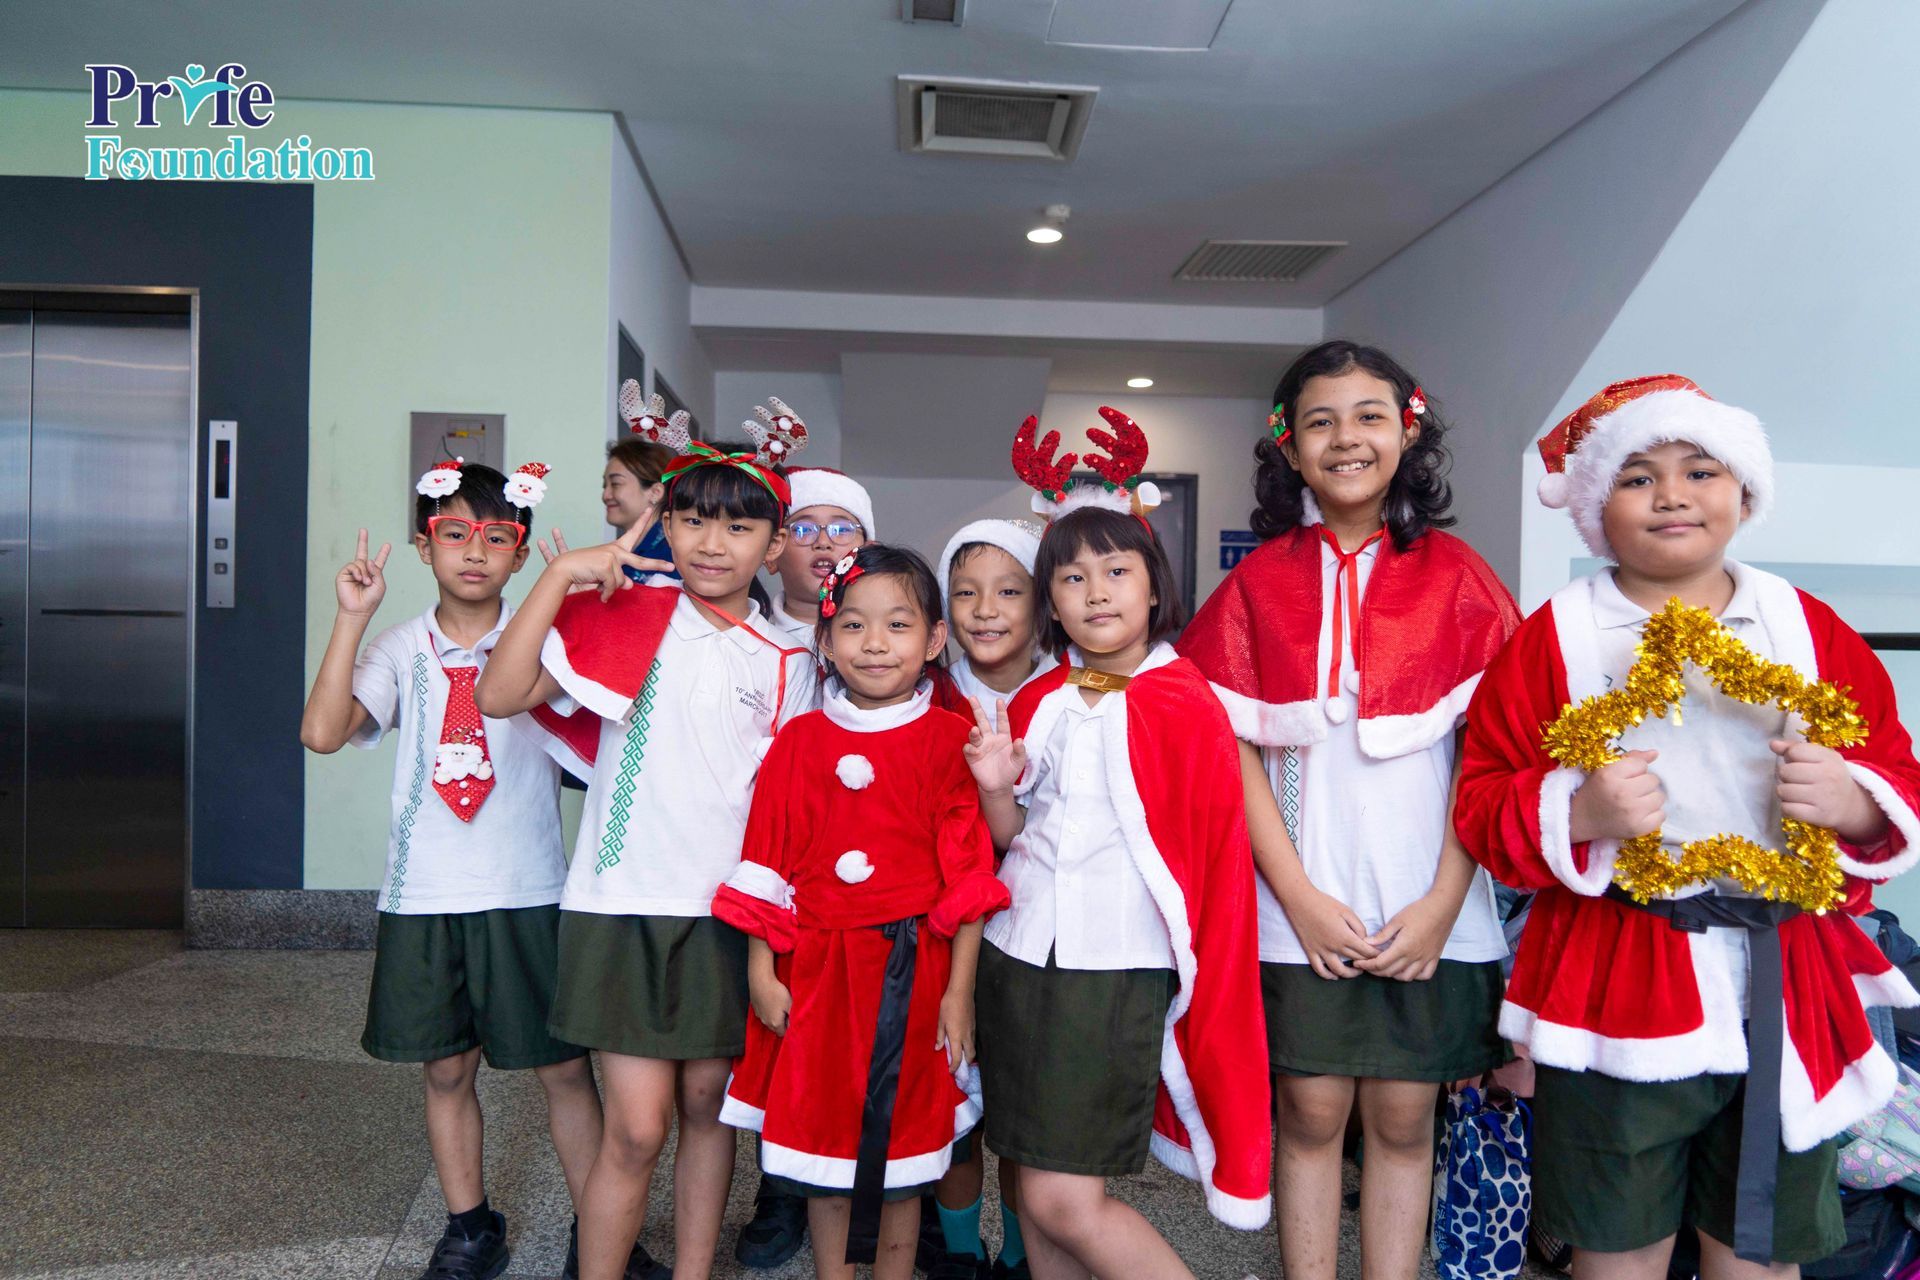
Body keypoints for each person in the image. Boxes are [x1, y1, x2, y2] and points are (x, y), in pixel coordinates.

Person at [1455, 374, 1920, 1277]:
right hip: (1614, 979)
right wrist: (1580, 811)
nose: (1671, 494)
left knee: (1760, 1252)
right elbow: (1480, 800)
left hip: (1781, 981)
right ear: (1596, 508)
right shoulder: (1553, 637)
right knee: (1616, 1249)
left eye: (1700, 471)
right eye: (1637, 477)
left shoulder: (1805, 627)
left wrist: (1852, 801)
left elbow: (1893, 769)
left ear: (1744, 494)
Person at [1178, 340, 1519, 1280]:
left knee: (1406, 1119)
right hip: (1302, 900)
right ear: (1288, 448)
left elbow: (1491, 755)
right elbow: (1230, 747)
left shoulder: (1461, 576)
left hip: (1430, 899)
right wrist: (1295, 896)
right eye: (1320, 422)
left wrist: (1443, 906)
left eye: (1370, 416)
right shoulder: (1256, 583)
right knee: (1311, 1109)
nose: (1346, 439)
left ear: (1408, 433)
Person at [475, 404, 820, 1280]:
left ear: (774, 545)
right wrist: (562, 578)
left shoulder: (792, 657)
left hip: (727, 915)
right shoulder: (626, 613)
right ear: (665, 521)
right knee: (635, 1127)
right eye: (694, 519)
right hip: (619, 904)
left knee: (708, 1106)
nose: (713, 543)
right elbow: (499, 695)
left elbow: (789, 807)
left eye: (740, 527)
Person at [965, 408, 1271, 1279]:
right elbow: (1013, 838)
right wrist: (994, 785)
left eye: (1115, 570)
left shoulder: (1185, 701)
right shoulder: (1038, 699)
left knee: (1066, 1199)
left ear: (1152, 585)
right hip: (1021, 954)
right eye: (1072, 577)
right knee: (1032, 1184)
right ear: (1050, 599)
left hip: (1115, 966)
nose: (1095, 592)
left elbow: (1208, 859)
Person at [301, 460, 604, 1280]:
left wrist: (584, 617)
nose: (475, 551)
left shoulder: (547, 644)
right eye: (455, 533)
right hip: (425, 892)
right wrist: (352, 618)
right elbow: (322, 733)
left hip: (529, 887)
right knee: (445, 1068)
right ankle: (470, 1227)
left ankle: (602, 1232)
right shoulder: (401, 648)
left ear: (522, 553)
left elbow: (601, 730)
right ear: (423, 545)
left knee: (564, 1068)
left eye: (497, 537)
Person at [712, 543, 1010, 1280]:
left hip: (915, 977)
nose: (875, 644)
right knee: (826, 1153)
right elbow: (767, 864)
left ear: (934, 640)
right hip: (817, 976)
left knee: (904, 1160)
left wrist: (959, 994)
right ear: (826, 637)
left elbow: (968, 877)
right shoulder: (798, 742)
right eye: (853, 625)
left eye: (898, 625)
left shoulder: (952, 740)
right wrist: (761, 973)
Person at [919, 518, 1055, 1279]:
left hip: (1036, 929)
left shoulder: (1068, 692)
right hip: (944, 928)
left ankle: (1022, 1256)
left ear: (1042, 603)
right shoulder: (928, 693)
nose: (986, 609)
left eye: (1009, 591)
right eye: (966, 593)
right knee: (953, 1107)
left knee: (1023, 1112)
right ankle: (961, 1253)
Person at [762, 466, 878, 650]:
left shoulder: (884, 642)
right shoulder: (753, 643)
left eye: (842, 529)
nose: (823, 542)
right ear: (771, 554)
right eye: (803, 530)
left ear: (870, 553)